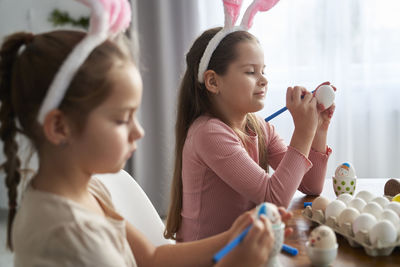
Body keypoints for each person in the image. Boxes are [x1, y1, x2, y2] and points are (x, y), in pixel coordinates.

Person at [0, 0, 292, 265]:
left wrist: (232, 238)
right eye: (121, 119)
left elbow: (153, 257)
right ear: (59, 127)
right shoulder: (66, 237)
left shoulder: (88, 190)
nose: (138, 131)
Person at [164, 4, 335, 242]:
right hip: (208, 259)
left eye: (263, 70)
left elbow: (312, 185)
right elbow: (274, 199)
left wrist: (317, 130)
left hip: (243, 252)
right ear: (213, 82)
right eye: (250, 72)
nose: (264, 79)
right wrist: (303, 132)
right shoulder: (208, 133)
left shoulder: (259, 127)